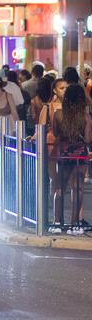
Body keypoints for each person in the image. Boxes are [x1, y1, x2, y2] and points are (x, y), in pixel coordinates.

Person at [50, 84, 92, 232]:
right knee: (78, 188)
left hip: (63, 153)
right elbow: (87, 139)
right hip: (80, 153)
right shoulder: (86, 117)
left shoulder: (58, 114)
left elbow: (55, 133)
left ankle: (56, 223)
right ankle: (75, 224)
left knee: (60, 187)